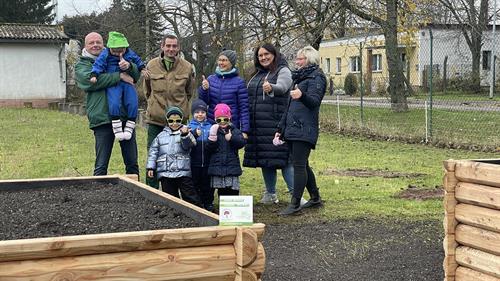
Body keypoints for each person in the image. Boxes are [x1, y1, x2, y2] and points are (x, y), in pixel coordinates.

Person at [243, 43, 302, 205]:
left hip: (277, 124)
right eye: (260, 55)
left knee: (284, 160)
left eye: (266, 54)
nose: (263, 58)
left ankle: (296, 195)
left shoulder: (283, 70)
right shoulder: (256, 74)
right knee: (266, 160)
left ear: (274, 54)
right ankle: (270, 193)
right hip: (258, 125)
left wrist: (271, 88)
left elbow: (283, 87)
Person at [75, 32, 140, 177]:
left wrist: (129, 67)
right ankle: (98, 195)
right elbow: (89, 81)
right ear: (85, 46)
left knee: (132, 163)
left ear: (104, 44)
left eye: (98, 42)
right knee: (101, 165)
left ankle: (137, 194)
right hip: (102, 118)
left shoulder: (118, 56)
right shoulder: (82, 65)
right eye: (91, 43)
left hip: (123, 116)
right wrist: (119, 76)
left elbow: (135, 77)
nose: (95, 45)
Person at [276, 46, 327, 216]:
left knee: (298, 165)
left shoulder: (317, 78)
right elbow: (290, 107)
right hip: (293, 127)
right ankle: (315, 197)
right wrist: (280, 128)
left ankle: (295, 203)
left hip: (305, 129)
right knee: (302, 164)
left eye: (300, 59)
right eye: (297, 59)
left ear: (310, 60)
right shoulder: (298, 78)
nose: (296, 62)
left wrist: (302, 95)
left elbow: (314, 102)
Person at [143, 34, 195, 188]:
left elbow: (189, 92)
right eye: (168, 46)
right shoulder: (151, 65)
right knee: (153, 156)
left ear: (178, 48)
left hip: (178, 122)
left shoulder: (187, 67)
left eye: (174, 46)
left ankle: (176, 193)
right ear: (162, 47)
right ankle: (152, 192)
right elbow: (147, 91)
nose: (171, 49)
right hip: (156, 120)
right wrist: (154, 105)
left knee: (179, 157)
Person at [90, 31, 147, 141]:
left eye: (121, 51)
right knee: (114, 101)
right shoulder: (105, 54)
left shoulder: (129, 53)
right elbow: (99, 64)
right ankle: (116, 125)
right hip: (114, 82)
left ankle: (130, 124)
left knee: (133, 101)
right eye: (115, 51)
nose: (118, 54)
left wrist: (141, 68)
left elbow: (137, 59)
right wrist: (94, 74)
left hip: (127, 82)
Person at [146, 106, 201, 206]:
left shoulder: (186, 133)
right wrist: (151, 167)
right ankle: (174, 217)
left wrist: (185, 135)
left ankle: (198, 215)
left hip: (182, 171)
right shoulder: (160, 135)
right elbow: (153, 151)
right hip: (165, 173)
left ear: (181, 120)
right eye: (171, 121)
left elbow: (190, 145)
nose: (174, 123)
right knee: (170, 199)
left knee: (190, 196)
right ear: (167, 121)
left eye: (177, 121)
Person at [198, 49, 250, 135]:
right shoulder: (211, 79)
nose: (221, 63)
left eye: (225, 60)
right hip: (212, 124)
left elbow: (244, 108)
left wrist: (245, 130)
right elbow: (204, 102)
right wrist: (204, 89)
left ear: (231, 63)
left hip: (230, 126)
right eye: (220, 60)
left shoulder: (239, 82)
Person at [206, 103, 246, 199]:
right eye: (219, 120)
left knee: (232, 189)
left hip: (231, 166)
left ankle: (233, 208)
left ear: (229, 118)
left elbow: (241, 143)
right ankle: (223, 210)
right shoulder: (213, 130)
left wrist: (231, 138)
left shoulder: (234, 130)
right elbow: (209, 149)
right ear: (216, 120)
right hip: (217, 166)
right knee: (221, 190)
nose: (222, 122)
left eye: (225, 119)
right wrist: (212, 138)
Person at [189, 99, 215, 211]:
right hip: (194, 162)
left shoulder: (211, 126)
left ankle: (208, 202)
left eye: (202, 112)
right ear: (193, 114)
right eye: (197, 112)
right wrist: (193, 134)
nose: (200, 114)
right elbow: (185, 142)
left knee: (207, 184)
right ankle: (197, 202)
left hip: (208, 162)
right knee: (195, 183)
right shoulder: (189, 126)